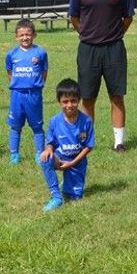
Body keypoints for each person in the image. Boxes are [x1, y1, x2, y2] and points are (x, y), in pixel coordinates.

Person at [69, 0, 135, 152]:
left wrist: (115, 35)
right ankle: (87, 141)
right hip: (88, 49)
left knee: (116, 96)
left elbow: (128, 17)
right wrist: (87, 34)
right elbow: (74, 18)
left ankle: (119, 142)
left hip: (114, 49)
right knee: (87, 97)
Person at [38, 78, 95, 211]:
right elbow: (50, 143)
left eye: (73, 101)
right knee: (44, 158)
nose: (69, 105)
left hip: (77, 162)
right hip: (59, 158)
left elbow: (88, 146)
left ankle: (68, 185)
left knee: (74, 197)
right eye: (65, 101)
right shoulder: (54, 121)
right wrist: (48, 150)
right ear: (59, 102)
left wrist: (73, 163)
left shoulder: (86, 121)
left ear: (79, 100)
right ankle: (56, 196)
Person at [4, 18, 49, 165]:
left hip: (34, 95)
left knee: (37, 126)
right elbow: (10, 72)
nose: (25, 38)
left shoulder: (40, 53)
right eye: (21, 35)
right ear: (16, 36)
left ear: (34, 35)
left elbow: (44, 72)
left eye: (28, 34)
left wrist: (36, 85)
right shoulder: (12, 54)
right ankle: (14, 155)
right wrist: (17, 84)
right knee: (15, 126)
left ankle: (39, 153)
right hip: (17, 95)